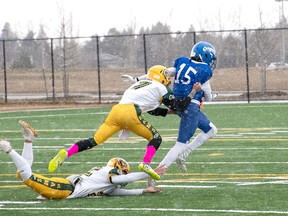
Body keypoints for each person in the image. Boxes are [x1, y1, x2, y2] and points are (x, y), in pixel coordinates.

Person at [48, 65, 199, 180]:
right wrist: (192, 92)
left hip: (116, 112)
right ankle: (145, 163)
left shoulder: (139, 85)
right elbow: (178, 105)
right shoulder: (160, 87)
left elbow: (151, 109)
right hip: (130, 113)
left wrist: (168, 112)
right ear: (163, 77)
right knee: (156, 138)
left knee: (94, 140)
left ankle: (67, 153)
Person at [0, 120, 165, 199]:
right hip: (66, 188)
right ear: (118, 168)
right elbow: (127, 179)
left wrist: (143, 190)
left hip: (65, 188)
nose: (124, 177)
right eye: (123, 172)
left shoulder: (107, 184)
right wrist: (148, 173)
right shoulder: (109, 173)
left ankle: (28, 141)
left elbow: (120, 191)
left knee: (23, 174)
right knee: (26, 176)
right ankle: (7, 148)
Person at [121, 41, 217, 172]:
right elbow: (209, 97)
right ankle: (158, 172)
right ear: (205, 56)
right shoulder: (203, 71)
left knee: (212, 130)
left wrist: (136, 79)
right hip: (190, 107)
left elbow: (163, 72)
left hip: (176, 103)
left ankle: (183, 154)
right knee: (180, 144)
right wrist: (209, 95)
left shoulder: (182, 63)